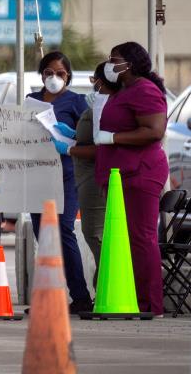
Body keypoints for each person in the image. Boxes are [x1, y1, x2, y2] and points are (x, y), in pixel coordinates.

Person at [94, 41, 168, 316]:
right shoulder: (123, 90)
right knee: (124, 240)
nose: (110, 64)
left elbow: (154, 130)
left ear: (131, 63)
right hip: (118, 175)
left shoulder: (145, 90)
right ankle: (131, 298)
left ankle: (151, 304)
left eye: (114, 59)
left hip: (140, 172)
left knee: (141, 237)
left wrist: (113, 138)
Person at [27, 51, 93, 313]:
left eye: (60, 73)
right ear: (41, 74)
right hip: (35, 175)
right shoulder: (31, 101)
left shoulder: (77, 102)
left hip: (66, 175)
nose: (54, 78)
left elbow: (89, 138)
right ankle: (48, 298)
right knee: (42, 236)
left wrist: (71, 139)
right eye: (48, 73)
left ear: (68, 76)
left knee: (63, 231)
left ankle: (80, 297)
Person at [51, 61, 118, 288]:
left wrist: (70, 149)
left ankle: (109, 285)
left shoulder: (105, 105)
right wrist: (72, 135)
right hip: (87, 176)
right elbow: (91, 136)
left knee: (95, 234)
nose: (93, 85)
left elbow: (102, 146)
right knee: (93, 233)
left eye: (94, 80)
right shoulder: (97, 104)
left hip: (94, 176)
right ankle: (104, 285)